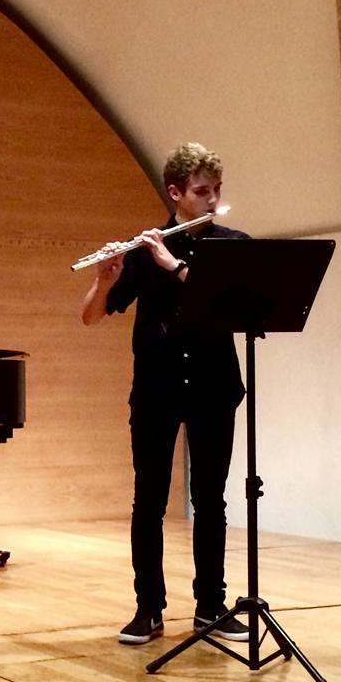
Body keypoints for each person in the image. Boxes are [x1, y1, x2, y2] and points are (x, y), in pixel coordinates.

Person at [81, 142, 251, 645]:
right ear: (175, 193)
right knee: (148, 502)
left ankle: (211, 607)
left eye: (216, 190)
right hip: (156, 390)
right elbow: (90, 316)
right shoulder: (142, 251)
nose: (212, 199)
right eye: (201, 191)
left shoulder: (231, 245)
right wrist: (104, 279)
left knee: (211, 501)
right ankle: (148, 609)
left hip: (213, 388)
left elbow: (230, 307)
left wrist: (172, 263)